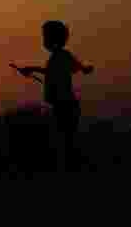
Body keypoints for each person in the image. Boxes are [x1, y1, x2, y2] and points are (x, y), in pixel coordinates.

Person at [14, 20, 94, 171]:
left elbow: (56, 71)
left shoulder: (60, 57)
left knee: (65, 142)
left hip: (65, 106)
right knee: (66, 141)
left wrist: (31, 69)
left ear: (52, 39)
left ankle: (73, 169)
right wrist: (32, 69)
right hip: (64, 105)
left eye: (45, 37)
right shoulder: (61, 57)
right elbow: (64, 69)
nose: (43, 41)